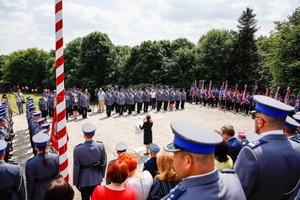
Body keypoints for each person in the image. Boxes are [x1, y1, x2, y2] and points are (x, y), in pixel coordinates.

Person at [234, 95, 300, 200]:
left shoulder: (252, 153)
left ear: (260, 122)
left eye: (254, 117)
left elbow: (235, 194)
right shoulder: (297, 148)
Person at [162, 121, 246, 200]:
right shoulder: (233, 179)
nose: (173, 159)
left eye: (175, 156)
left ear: (188, 161)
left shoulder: (180, 197)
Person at [73, 123, 107, 200]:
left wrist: (76, 182)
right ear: (94, 134)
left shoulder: (77, 149)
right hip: (96, 178)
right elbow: (104, 162)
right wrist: (101, 175)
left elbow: (76, 168)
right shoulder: (100, 146)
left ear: (84, 135)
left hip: (83, 179)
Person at [25, 131, 60, 200]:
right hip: (54, 189)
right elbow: (58, 175)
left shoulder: (30, 164)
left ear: (36, 147)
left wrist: (29, 197)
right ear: (47, 145)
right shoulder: (56, 157)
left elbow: (30, 184)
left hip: (39, 193)